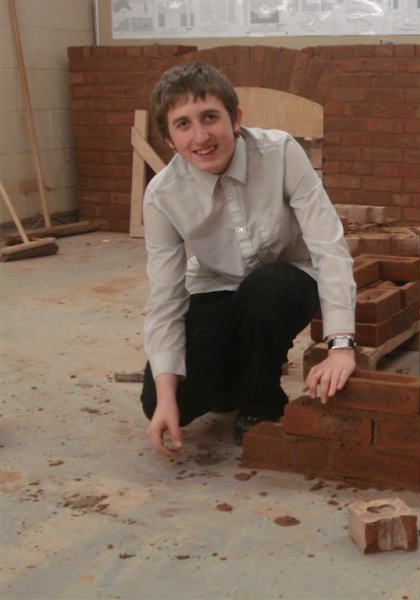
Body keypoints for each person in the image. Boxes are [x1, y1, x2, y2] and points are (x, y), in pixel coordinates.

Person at [140, 62, 356, 458]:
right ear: (169, 139)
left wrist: (340, 346)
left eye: (210, 117)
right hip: (217, 286)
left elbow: (329, 247)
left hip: (288, 282)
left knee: (268, 289)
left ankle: (260, 402)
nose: (201, 137)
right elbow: (165, 299)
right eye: (183, 124)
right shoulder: (162, 196)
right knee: (166, 400)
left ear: (235, 118)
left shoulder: (281, 153)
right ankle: (233, 380)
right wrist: (166, 394)